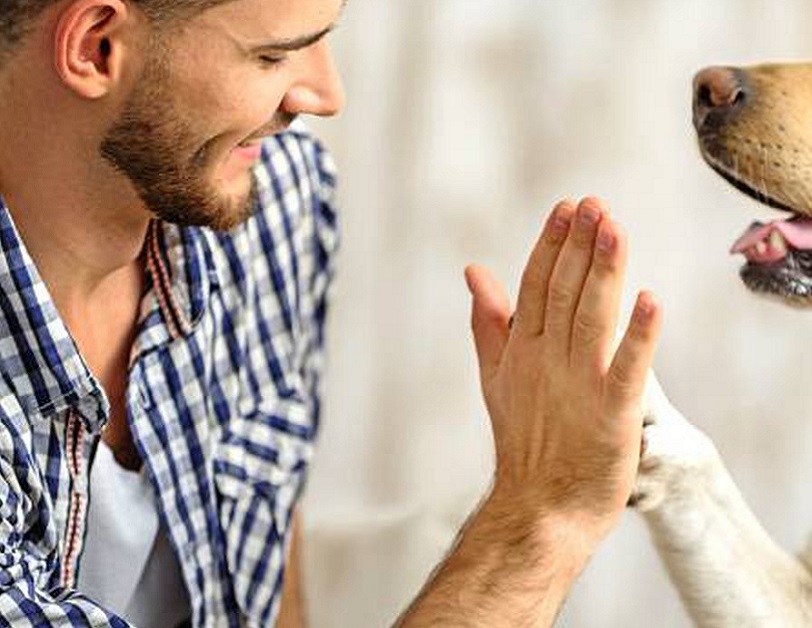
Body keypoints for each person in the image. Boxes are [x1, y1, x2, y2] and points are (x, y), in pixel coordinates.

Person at [0, 0, 663, 626]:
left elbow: (267, 570)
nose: (326, 94)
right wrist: (547, 515)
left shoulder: (272, 205)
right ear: (96, 47)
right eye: (272, 57)